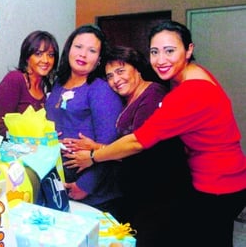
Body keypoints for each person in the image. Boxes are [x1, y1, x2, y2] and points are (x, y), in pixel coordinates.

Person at [65, 20, 246, 247]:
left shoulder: (186, 93)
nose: (161, 60)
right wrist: (98, 147)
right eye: (154, 52)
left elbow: (138, 141)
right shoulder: (195, 75)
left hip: (217, 184)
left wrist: (93, 157)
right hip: (226, 175)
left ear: (189, 49)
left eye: (170, 51)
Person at [62, 45, 193, 247]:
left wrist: (93, 154)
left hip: (161, 192)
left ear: (137, 69)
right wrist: (97, 146)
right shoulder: (131, 98)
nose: (116, 80)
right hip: (141, 191)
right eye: (110, 76)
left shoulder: (152, 96)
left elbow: (138, 147)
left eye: (121, 71)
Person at [45, 24, 123, 215]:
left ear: (98, 60)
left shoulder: (100, 89)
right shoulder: (58, 84)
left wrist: (86, 185)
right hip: (60, 180)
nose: (83, 54)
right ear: (69, 48)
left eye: (92, 50)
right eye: (78, 47)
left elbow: (110, 145)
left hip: (93, 189)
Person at [0, 30, 59, 138]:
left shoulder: (48, 86)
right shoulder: (15, 79)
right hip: (15, 151)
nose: (46, 60)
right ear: (27, 57)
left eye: (50, 55)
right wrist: (31, 140)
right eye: (38, 54)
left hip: (43, 151)